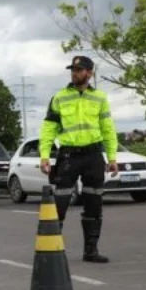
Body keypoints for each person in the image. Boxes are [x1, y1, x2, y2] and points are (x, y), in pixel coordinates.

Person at [38, 55, 119, 263]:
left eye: (79, 70)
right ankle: (52, 251)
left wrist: (112, 157)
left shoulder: (99, 97)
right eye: (73, 70)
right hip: (68, 155)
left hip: (93, 155)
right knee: (60, 203)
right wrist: (45, 155)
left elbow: (108, 129)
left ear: (89, 73)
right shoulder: (59, 97)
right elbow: (48, 129)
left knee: (94, 202)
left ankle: (91, 251)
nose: (75, 73)